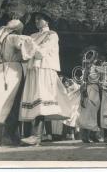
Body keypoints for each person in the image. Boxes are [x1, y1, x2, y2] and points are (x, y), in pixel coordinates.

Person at [19, 10, 71, 146]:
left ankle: (36, 136)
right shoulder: (33, 35)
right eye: (35, 19)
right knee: (33, 101)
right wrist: (27, 46)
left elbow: (40, 52)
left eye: (39, 19)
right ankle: (34, 136)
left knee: (41, 101)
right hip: (33, 70)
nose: (36, 21)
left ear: (47, 21)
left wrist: (29, 46)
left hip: (44, 69)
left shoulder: (52, 35)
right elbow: (25, 53)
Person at [0, 19, 31, 146]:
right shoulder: (13, 37)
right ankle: (10, 135)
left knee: (5, 102)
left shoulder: (1, 37)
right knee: (15, 102)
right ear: (18, 29)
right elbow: (25, 46)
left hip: (2, 69)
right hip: (13, 70)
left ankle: (4, 135)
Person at [76, 46, 102, 143]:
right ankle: (85, 135)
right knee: (87, 113)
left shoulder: (99, 68)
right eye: (92, 57)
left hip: (96, 90)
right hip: (89, 90)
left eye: (94, 57)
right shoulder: (86, 69)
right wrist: (83, 94)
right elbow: (83, 82)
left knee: (94, 113)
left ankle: (93, 134)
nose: (93, 59)